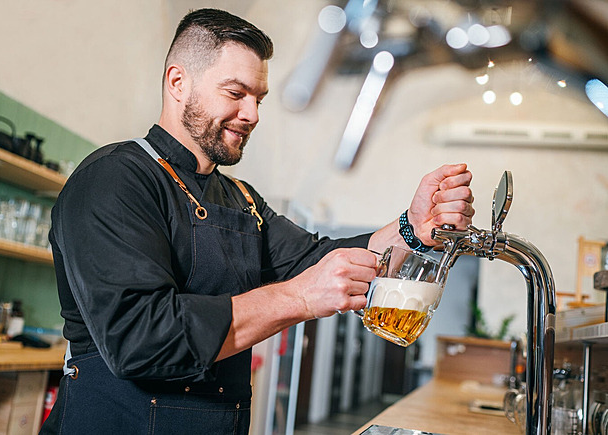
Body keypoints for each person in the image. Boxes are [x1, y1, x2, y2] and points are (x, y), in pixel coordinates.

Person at [41, 8, 474, 435]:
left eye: (259, 98)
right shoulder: (114, 178)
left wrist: (412, 229)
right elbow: (140, 338)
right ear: (178, 82)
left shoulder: (242, 199)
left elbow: (322, 261)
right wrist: (298, 298)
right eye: (236, 93)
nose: (253, 115)